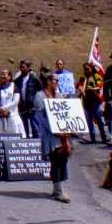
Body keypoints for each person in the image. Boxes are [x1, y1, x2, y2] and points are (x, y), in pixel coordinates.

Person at [37, 74, 72, 203]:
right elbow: (41, 118)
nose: (56, 82)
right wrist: (54, 130)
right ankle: (59, 191)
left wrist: (68, 129)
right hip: (50, 134)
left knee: (63, 159)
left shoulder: (59, 95)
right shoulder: (40, 96)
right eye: (54, 80)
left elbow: (66, 113)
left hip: (63, 134)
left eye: (58, 80)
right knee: (56, 160)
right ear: (48, 81)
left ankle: (57, 187)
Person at [79, 62, 106, 144]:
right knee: (89, 121)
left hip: (96, 102)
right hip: (87, 102)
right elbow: (79, 85)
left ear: (91, 69)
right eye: (85, 70)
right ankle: (92, 138)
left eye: (87, 69)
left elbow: (100, 85)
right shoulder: (83, 77)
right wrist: (81, 89)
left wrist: (93, 88)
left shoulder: (96, 76)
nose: (86, 71)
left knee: (99, 120)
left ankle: (103, 137)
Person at [0, 69, 24, 136]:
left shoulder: (14, 87)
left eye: (4, 74)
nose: (2, 76)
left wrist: (5, 108)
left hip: (12, 115)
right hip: (0, 115)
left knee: (14, 134)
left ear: (9, 77)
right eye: (1, 74)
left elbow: (15, 101)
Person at [13, 60, 41, 138]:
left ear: (28, 68)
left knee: (35, 127)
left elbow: (41, 90)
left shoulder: (34, 78)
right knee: (24, 128)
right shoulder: (17, 80)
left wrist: (37, 101)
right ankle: (26, 145)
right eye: (20, 67)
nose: (21, 68)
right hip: (22, 108)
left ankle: (38, 145)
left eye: (23, 67)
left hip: (32, 107)